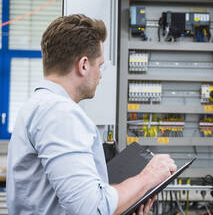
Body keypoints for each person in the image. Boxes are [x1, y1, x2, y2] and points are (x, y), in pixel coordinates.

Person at [6, 14, 177, 215]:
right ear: (84, 65)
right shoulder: (59, 113)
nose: (101, 74)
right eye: (100, 65)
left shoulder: (38, 105)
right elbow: (91, 209)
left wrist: (125, 200)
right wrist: (148, 177)